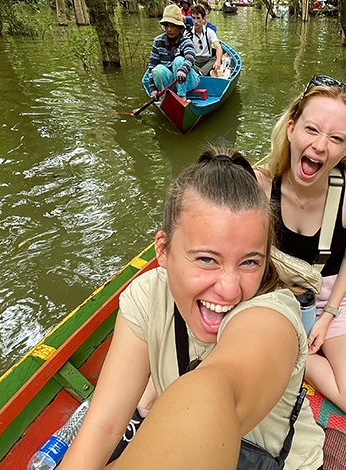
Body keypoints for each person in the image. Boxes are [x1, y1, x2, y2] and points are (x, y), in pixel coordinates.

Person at [59, 149, 325, 470]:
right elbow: (104, 425)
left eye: (249, 262)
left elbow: (219, 391)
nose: (229, 288)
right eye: (206, 259)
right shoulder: (146, 296)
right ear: (164, 250)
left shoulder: (272, 315)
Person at [256, 76, 346, 419]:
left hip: (327, 294)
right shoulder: (258, 181)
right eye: (312, 130)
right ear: (292, 129)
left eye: (336, 138)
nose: (321, 146)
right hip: (271, 287)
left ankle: (299, 355)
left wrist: (328, 316)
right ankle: (292, 346)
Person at [147, 5, 199, 102]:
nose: (169, 29)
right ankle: (164, 98)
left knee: (178, 60)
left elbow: (190, 57)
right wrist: (153, 89)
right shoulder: (158, 41)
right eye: (167, 25)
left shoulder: (185, 40)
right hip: (170, 81)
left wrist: (182, 70)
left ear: (179, 27)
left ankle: (182, 96)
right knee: (157, 69)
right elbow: (151, 66)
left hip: (188, 81)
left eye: (172, 25)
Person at [189, 4, 222, 77]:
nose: (195, 21)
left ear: (203, 19)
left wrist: (218, 61)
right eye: (193, 18)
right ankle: (202, 73)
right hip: (194, 61)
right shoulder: (188, 33)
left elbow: (218, 47)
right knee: (182, 60)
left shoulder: (210, 32)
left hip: (207, 61)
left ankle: (199, 73)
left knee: (218, 57)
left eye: (198, 18)